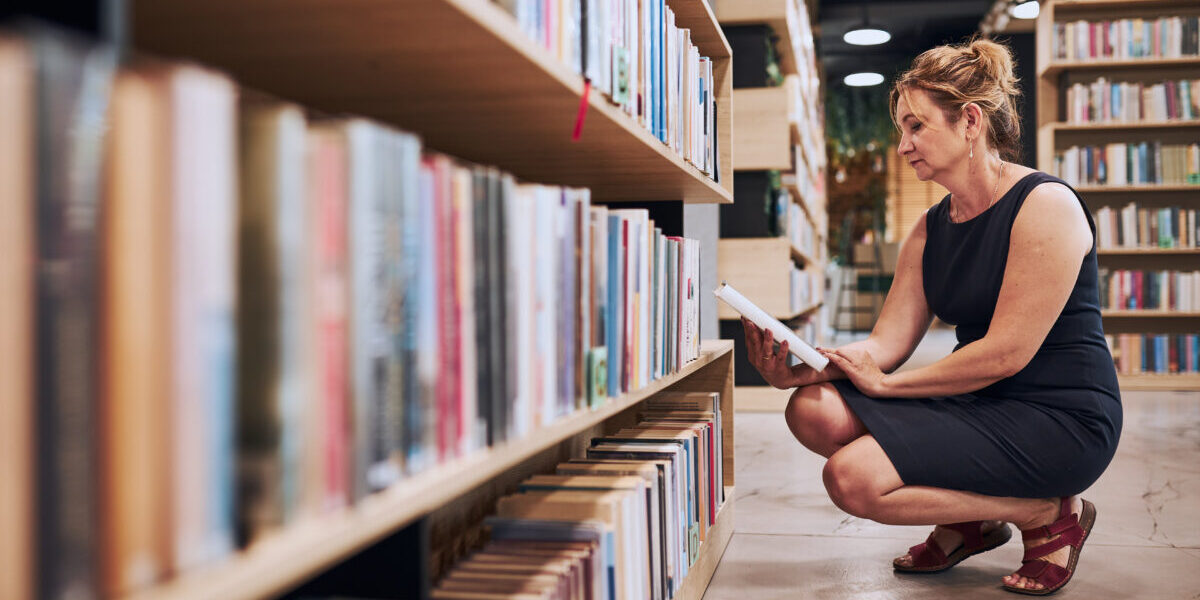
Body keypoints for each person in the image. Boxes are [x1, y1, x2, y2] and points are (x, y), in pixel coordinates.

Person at [742, 38, 1122, 596]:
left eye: (916, 127)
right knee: (813, 409)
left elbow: (1005, 353)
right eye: (902, 129)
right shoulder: (929, 229)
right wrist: (814, 367)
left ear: (970, 121)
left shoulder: (1046, 206)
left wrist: (891, 389)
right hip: (982, 401)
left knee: (851, 480)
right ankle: (972, 518)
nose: (903, 146)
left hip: (1058, 417)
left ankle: (1043, 512)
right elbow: (886, 342)